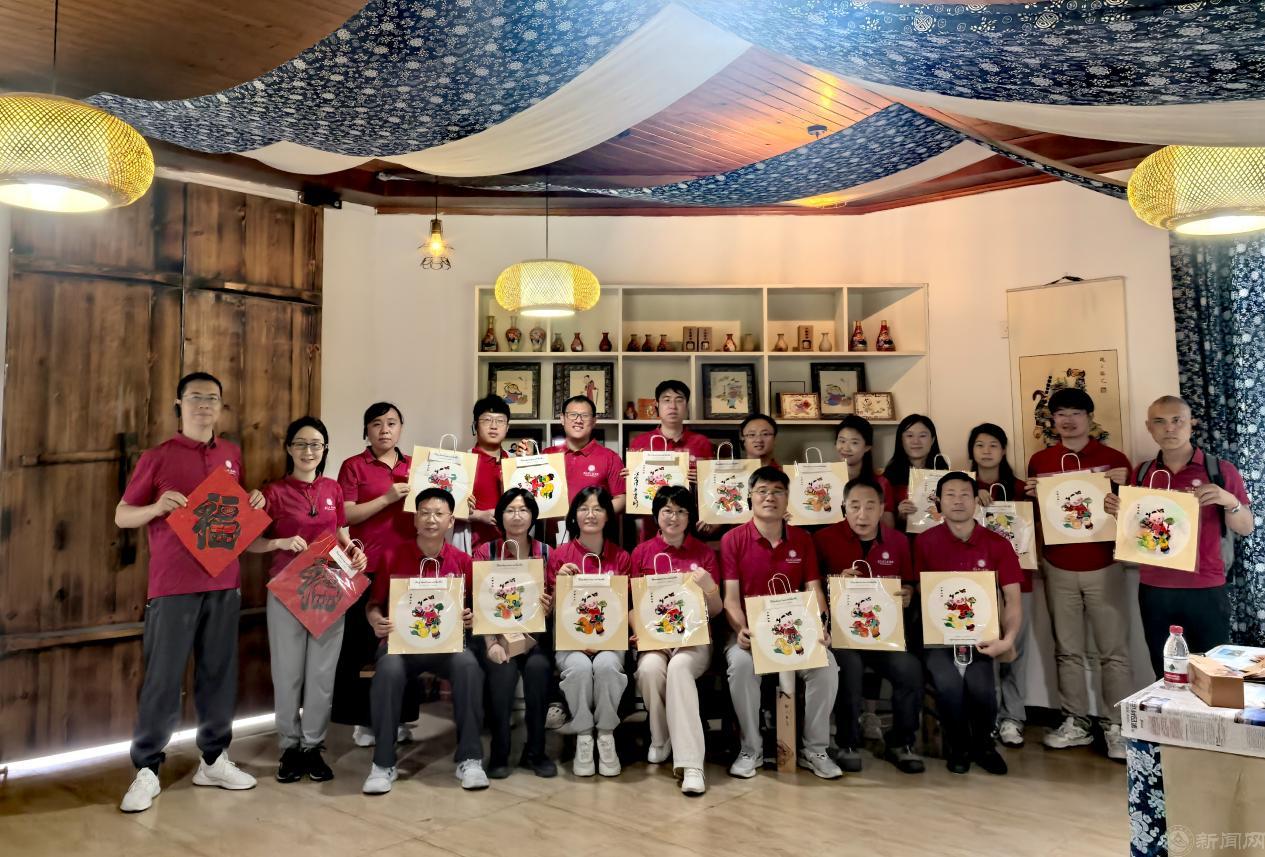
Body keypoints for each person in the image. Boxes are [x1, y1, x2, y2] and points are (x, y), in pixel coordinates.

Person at [115, 372, 265, 813]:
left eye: (212, 398)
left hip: (224, 581)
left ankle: (214, 760)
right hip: (172, 585)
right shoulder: (158, 457)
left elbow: (233, 514)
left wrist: (254, 501)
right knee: (162, 678)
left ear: (220, 406)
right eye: (196, 397)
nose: (204, 404)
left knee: (219, 674)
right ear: (179, 404)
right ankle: (147, 769)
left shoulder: (231, 455)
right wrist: (155, 507)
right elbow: (122, 515)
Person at [249, 417, 367, 783]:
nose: (308, 451)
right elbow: (249, 542)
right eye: (300, 443)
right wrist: (280, 542)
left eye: (316, 444)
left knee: (321, 674)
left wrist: (355, 553)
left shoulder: (333, 489)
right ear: (288, 448)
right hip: (286, 590)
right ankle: (289, 746)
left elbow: (341, 534)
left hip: (328, 587)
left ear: (325, 449)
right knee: (287, 673)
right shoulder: (272, 493)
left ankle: (312, 746)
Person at [1104, 396, 1253, 676]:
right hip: (1155, 587)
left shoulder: (1219, 470)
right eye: (1160, 422)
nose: (1169, 428)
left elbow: (1245, 527)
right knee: (1165, 674)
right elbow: (1137, 529)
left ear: (1191, 423)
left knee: (1212, 675)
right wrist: (1117, 513)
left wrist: (1228, 500)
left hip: (1206, 586)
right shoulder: (1143, 472)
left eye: (1177, 420)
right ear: (1149, 427)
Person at [362, 488, 493, 794]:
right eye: (424, 513)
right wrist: (375, 621)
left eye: (439, 514)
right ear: (415, 519)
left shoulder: (463, 561)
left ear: (451, 521)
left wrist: (472, 618)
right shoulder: (393, 555)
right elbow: (373, 605)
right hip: (401, 646)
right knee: (388, 670)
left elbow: (479, 608)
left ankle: (470, 759)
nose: (431, 519)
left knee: (468, 666)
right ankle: (383, 763)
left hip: (448, 646)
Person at [1026, 388, 1133, 760]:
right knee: (1067, 650)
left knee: (1113, 652)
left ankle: (1116, 726)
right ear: (1052, 420)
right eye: (1060, 414)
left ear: (1089, 418)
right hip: (1057, 566)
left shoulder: (1114, 460)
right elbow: (1035, 517)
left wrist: (1124, 488)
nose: (1068, 420)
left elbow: (1137, 516)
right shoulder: (1040, 461)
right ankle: (1075, 722)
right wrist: (1031, 497)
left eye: (1075, 413)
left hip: (1106, 564)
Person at [721, 466, 842, 780]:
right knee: (740, 666)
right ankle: (751, 749)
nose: (769, 497)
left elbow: (814, 590)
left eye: (777, 491)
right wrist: (740, 629)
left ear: (788, 498)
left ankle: (815, 749)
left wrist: (822, 625)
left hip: (796, 633)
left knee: (826, 667)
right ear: (750, 496)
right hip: (751, 635)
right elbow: (730, 598)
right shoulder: (733, 539)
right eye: (762, 491)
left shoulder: (802, 539)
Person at [813, 477, 924, 774]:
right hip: (841, 635)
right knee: (848, 667)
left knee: (910, 669)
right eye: (854, 506)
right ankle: (847, 743)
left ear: (882, 508)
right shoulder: (823, 539)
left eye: (870, 506)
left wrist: (908, 593)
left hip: (883, 636)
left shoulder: (898, 542)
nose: (862, 514)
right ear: (843, 508)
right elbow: (810, 587)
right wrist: (834, 583)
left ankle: (901, 743)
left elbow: (909, 583)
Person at [914, 472, 1023, 775]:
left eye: (965, 494)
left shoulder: (997, 544)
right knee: (948, 684)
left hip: (982, 636)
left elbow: (1013, 598)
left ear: (976, 501)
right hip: (937, 636)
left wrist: (1007, 639)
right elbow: (919, 591)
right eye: (950, 494)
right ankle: (958, 746)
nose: (958, 500)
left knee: (982, 688)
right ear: (938, 501)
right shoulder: (924, 542)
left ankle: (984, 746)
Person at [627, 485, 723, 795]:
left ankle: (691, 764)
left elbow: (716, 609)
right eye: (667, 511)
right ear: (656, 515)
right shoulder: (641, 553)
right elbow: (632, 606)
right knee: (649, 669)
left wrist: (708, 586)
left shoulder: (703, 553)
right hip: (656, 640)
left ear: (690, 517)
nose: (674, 517)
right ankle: (661, 737)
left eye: (681, 511)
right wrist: (640, 630)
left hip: (694, 641)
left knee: (679, 667)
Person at [333, 402, 415, 747]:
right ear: (366, 430)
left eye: (392, 423)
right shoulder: (353, 466)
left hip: (407, 569)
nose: (385, 430)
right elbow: (345, 515)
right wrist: (387, 497)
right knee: (365, 648)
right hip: (364, 568)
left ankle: (401, 718)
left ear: (401, 428)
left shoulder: (415, 465)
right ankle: (365, 721)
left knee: (406, 644)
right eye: (377, 424)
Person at [470, 488, 558, 778]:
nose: (517, 516)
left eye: (523, 510)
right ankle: (499, 752)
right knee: (502, 673)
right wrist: (491, 643)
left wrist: (549, 607)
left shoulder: (547, 553)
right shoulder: (485, 553)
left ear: (533, 515)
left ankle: (536, 752)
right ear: (500, 516)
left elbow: (555, 605)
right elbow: (478, 601)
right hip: (496, 637)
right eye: (510, 510)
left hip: (536, 639)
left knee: (538, 670)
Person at [547, 487, 632, 777]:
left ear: (608, 515)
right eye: (583, 508)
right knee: (580, 668)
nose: (590, 514)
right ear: (574, 515)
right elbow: (551, 613)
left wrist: (605, 641)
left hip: (611, 641)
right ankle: (584, 734)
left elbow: (624, 608)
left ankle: (606, 734)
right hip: (570, 642)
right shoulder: (560, 556)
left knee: (607, 665)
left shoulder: (621, 557)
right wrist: (559, 585)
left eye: (598, 508)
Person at [967, 422, 1033, 749]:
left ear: (1004, 450)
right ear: (972, 451)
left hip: (1019, 582)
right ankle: (988, 716)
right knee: (985, 655)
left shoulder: (1021, 488)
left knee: (1014, 652)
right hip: (977, 585)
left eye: (993, 445)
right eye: (980, 445)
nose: (986, 451)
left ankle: (1013, 718)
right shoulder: (962, 488)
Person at [629, 380, 716, 539]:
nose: (673, 406)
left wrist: (702, 480)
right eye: (667, 400)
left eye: (679, 400)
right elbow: (633, 490)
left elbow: (713, 486)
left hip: (691, 530)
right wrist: (630, 477)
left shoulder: (701, 443)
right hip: (651, 531)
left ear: (686, 405)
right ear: (657, 405)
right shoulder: (640, 443)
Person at [543, 394, 626, 515]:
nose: (578, 420)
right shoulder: (547, 455)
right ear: (562, 418)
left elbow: (621, 499)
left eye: (585, 415)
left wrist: (593, 516)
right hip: (553, 527)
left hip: (594, 526)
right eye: (572, 414)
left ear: (594, 421)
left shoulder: (611, 458)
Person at [465, 395, 512, 552]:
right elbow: (442, 510)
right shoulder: (462, 461)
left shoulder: (516, 462)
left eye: (500, 421)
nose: (494, 426)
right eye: (487, 420)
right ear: (475, 426)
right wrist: (478, 515)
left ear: (507, 427)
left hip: (512, 549)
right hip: (474, 549)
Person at [884, 414, 946, 531]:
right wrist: (900, 516)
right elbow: (883, 524)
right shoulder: (888, 478)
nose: (916, 441)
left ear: (932, 440)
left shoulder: (944, 474)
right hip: (902, 538)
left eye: (922, 435)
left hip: (938, 537)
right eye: (909, 435)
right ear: (901, 440)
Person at [835, 415, 897, 529]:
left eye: (854, 443)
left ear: (867, 447)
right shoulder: (825, 481)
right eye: (842, 441)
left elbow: (888, 527)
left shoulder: (881, 483)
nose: (846, 448)